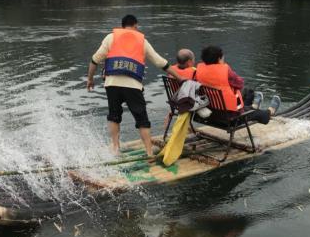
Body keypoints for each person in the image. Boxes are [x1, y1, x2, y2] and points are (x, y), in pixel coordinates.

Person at [87, 14, 181, 157]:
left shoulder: (110, 37)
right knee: (142, 119)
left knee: (114, 116)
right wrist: (179, 77)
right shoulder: (142, 41)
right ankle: (149, 152)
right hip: (133, 85)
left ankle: (116, 148)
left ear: (122, 25)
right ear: (136, 25)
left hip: (112, 84)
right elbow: (160, 62)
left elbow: (95, 60)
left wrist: (90, 79)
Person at [195, 45, 280, 124]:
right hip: (230, 117)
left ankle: (254, 106)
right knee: (258, 113)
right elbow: (240, 83)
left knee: (248, 94)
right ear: (219, 58)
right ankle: (270, 111)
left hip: (210, 114)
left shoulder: (198, 71)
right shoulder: (225, 71)